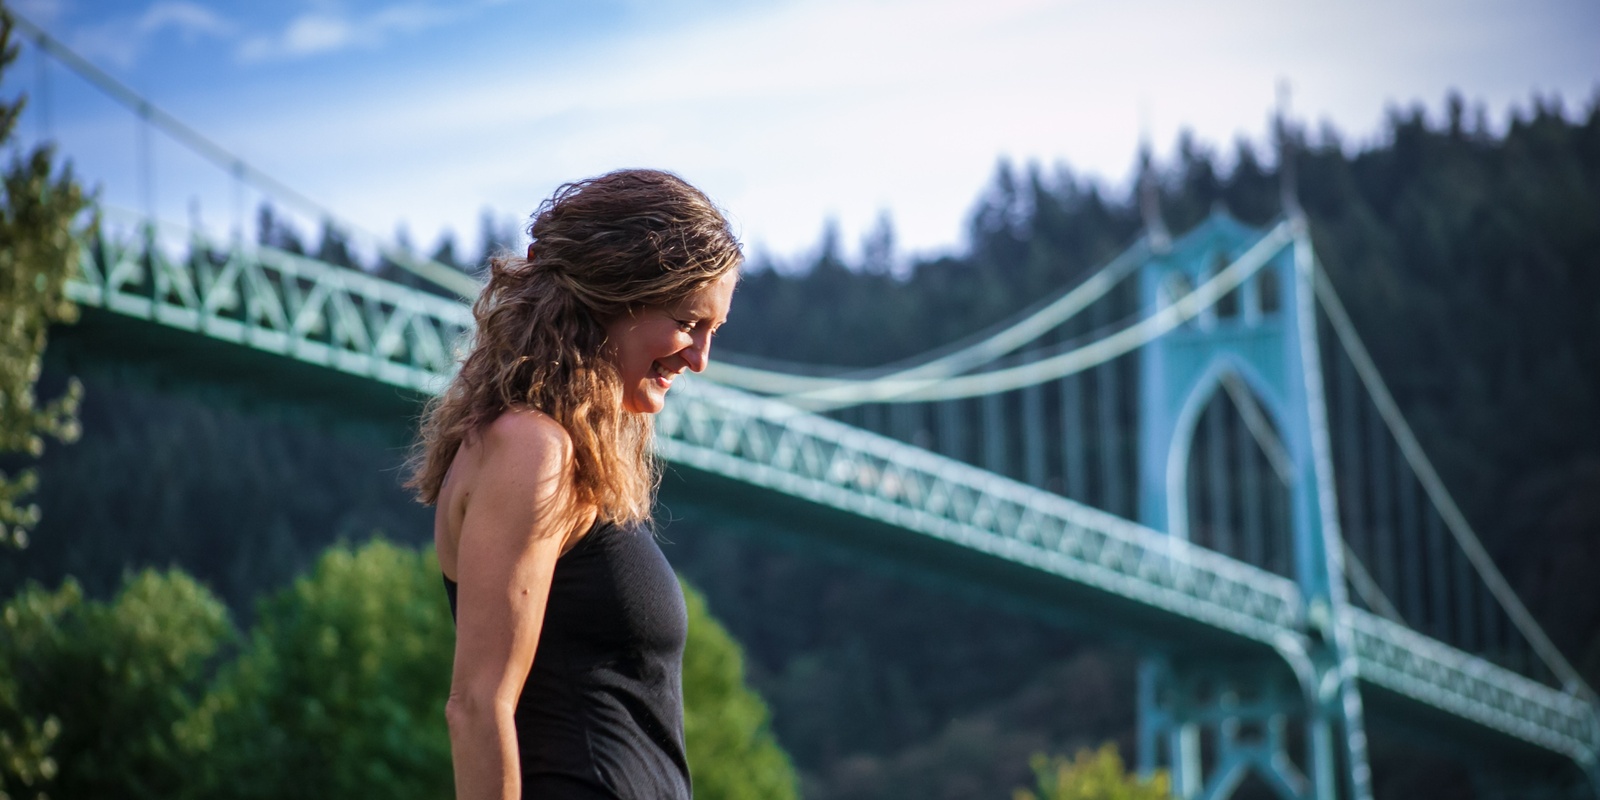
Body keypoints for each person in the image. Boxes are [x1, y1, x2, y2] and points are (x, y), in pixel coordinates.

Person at [407, 169, 742, 799]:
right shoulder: (531, 448)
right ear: (614, 294)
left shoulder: (558, 452)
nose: (699, 359)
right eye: (687, 322)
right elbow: (478, 706)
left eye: (712, 333)